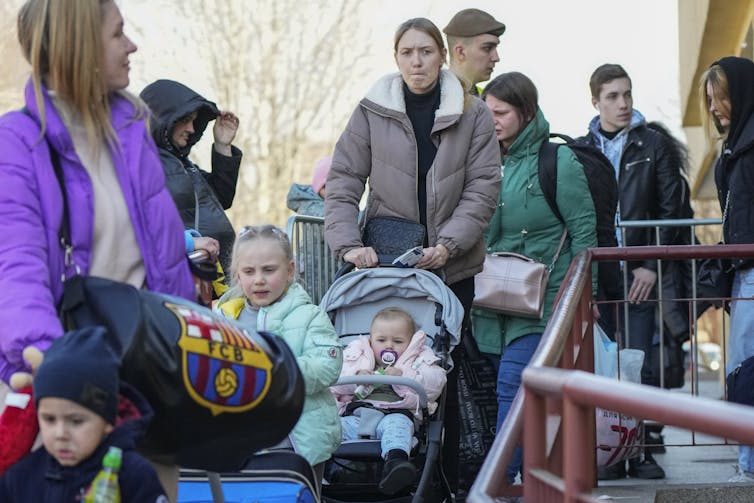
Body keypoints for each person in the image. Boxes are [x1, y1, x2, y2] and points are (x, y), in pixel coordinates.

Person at [0, 1, 196, 498]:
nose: (132, 45)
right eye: (118, 34)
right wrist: (58, 375)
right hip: (68, 392)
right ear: (81, 47)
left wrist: (191, 346)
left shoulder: (132, 131)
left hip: (147, 387)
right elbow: (15, 269)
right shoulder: (17, 144)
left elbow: (165, 267)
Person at [324, 17, 501, 492]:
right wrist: (347, 244)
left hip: (450, 262)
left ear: (443, 55)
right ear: (396, 58)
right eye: (407, 53)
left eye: (426, 51)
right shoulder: (371, 110)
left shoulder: (473, 112)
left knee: (442, 372)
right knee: (375, 365)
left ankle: (444, 481)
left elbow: (483, 188)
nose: (417, 61)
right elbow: (342, 182)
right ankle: (366, 469)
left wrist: (449, 246)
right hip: (386, 262)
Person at [471, 72, 597, 483]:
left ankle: (496, 483)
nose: (492, 120)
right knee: (512, 394)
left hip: (544, 301)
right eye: (486, 112)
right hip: (492, 304)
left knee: (514, 385)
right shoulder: (484, 159)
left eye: (501, 112)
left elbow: (584, 233)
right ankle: (532, 479)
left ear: (525, 112)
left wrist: (582, 298)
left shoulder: (557, 160)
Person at [579, 63, 689, 480]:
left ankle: (640, 451)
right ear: (595, 101)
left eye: (627, 94)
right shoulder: (581, 147)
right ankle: (608, 453)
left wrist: (648, 264)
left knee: (637, 364)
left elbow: (671, 211)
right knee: (603, 367)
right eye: (613, 96)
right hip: (602, 274)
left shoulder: (654, 144)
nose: (623, 103)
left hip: (640, 274)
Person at [215, 224, 342, 488]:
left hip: (297, 441)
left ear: (289, 271)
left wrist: (278, 370)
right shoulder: (226, 320)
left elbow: (328, 365)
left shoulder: (309, 315)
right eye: (249, 271)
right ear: (238, 276)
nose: (258, 279)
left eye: (269, 270)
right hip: (241, 440)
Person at [0, 327, 167, 502]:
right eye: (49, 419)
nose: (60, 434)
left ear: (108, 421)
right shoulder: (21, 478)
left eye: (76, 421)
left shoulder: (134, 476)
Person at [700, 56, 754, 483]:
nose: (715, 108)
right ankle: (747, 462)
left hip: (751, 272)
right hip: (742, 271)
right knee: (742, 368)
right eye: (710, 100)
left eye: (720, 98)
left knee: (745, 369)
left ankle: (748, 465)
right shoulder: (734, 148)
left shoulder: (746, 147)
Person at [331, 307, 447, 495]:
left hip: (394, 414)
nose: (389, 346)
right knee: (328, 428)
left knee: (398, 429)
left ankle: (395, 465)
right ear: (371, 339)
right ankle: (308, 466)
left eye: (398, 341)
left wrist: (404, 375)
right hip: (357, 415)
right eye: (381, 340)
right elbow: (333, 383)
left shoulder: (419, 358)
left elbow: (435, 384)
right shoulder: (356, 355)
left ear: (410, 343)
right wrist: (356, 377)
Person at [140, 79, 242, 275]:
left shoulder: (182, 163)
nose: (192, 129)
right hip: (181, 272)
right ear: (163, 119)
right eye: (185, 119)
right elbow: (143, 224)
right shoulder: (144, 164)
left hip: (210, 272)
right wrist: (189, 243)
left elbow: (222, 198)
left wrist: (222, 145)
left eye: (195, 120)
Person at [443, 8, 505, 95]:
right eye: (487, 48)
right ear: (461, 52)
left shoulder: (486, 99)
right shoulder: (430, 99)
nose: (496, 58)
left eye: (495, 48)